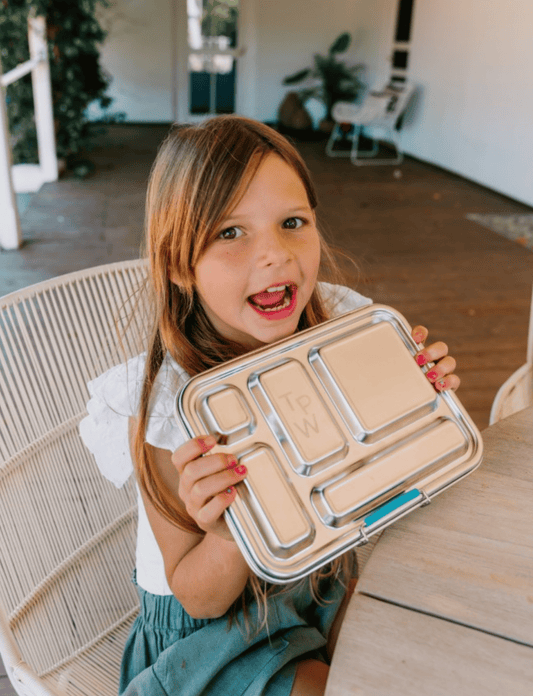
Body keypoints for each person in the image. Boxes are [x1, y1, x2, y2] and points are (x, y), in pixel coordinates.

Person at [79, 115, 460, 696]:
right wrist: (236, 527)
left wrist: (412, 399)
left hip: (317, 579)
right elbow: (198, 594)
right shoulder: (165, 406)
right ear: (180, 262)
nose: (276, 254)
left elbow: (375, 472)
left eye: (292, 222)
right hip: (213, 634)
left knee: (419, 651)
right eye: (231, 233)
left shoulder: (333, 320)